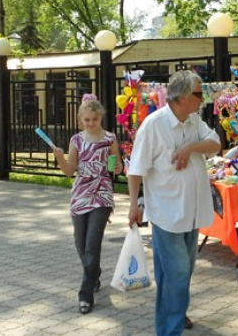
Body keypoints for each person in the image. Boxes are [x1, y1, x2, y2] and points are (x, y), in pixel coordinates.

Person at [127, 70, 221, 335]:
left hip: (191, 213)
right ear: (181, 97)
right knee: (178, 275)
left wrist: (190, 148)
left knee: (176, 275)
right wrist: (134, 205)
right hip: (167, 215)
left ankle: (172, 319)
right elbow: (136, 168)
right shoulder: (153, 125)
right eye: (198, 94)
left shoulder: (194, 121)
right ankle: (171, 328)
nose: (203, 99)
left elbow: (216, 143)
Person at [53, 93, 123, 314]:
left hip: (102, 194)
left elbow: (115, 166)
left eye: (95, 119)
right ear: (81, 120)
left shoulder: (110, 138)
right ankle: (94, 273)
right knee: (80, 244)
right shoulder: (76, 140)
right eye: (87, 120)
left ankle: (85, 295)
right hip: (80, 194)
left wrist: (118, 168)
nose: (91, 123)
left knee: (93, 244)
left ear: (100, 118)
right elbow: (69, 171)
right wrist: (60, 158)